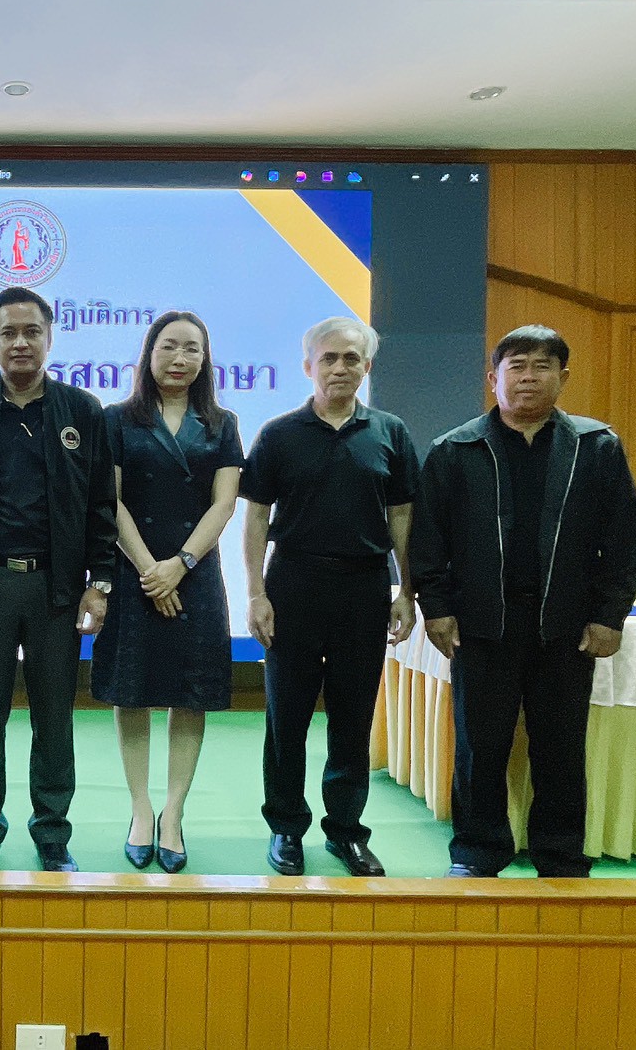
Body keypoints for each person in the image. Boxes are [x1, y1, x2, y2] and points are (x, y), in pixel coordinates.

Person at [411, 325, 636, 878]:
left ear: (563, 378)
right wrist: (436, 608)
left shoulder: (596, 447)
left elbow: (625, 539)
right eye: (516, 366)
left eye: (542, 366)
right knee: (480, 747)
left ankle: (560, 856)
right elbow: (427, 540)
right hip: (481, 625)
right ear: (492, 378)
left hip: (566, 626)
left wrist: (609, 615)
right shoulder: (455, 450)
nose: (528, 377)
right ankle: (477, 852)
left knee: (560, 748)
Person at [0, 285, 118, 873]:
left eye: (31, 331)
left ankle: (52, 834)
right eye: (8, 332)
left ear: (50, 337)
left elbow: (101, 504)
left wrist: (100, 583)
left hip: (57, 590)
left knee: (54, 720)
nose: (20, 343)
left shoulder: (81, 411)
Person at [241, 316, 420, 878]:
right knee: (286, 717)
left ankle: (346, 831)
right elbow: (256, 518)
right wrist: (255, 593)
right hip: (292, 584)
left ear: (367, 366)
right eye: (329, 358)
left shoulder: (390, 432)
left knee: (352, 716)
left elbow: (402, 517)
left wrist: (407, 591)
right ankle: (286, 828)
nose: (340, 368)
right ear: (308, 366)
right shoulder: (277, 434)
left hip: (364, 588)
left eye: (351, 358)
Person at [91, 311, 243, 874]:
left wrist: (179, 565)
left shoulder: (221, 423)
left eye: (192, 349)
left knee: (190, 693)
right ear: (149, 352)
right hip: (134, 570)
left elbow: (224, 503)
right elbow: (110, 501)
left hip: (195, 573)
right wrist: (150, 570)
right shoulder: (116, 419)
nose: (180, 358)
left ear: (205, 358)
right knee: (132, 691)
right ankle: (140, 809)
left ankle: (173, 812)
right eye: (169, 346)